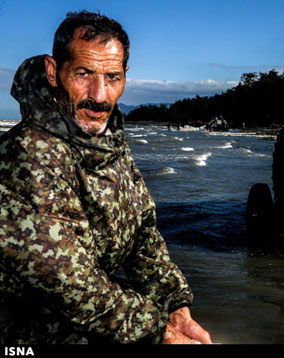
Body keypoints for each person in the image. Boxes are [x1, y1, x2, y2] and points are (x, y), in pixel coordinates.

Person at [0, 11, 211, 344]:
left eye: (112, 77)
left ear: (125, 74)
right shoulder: (27, 154)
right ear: (54, 72)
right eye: (84, 73)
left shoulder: (107, 139)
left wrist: (175, 306)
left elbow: (143, 232)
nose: (99, 95)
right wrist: (159, 333)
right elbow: (71, 282)